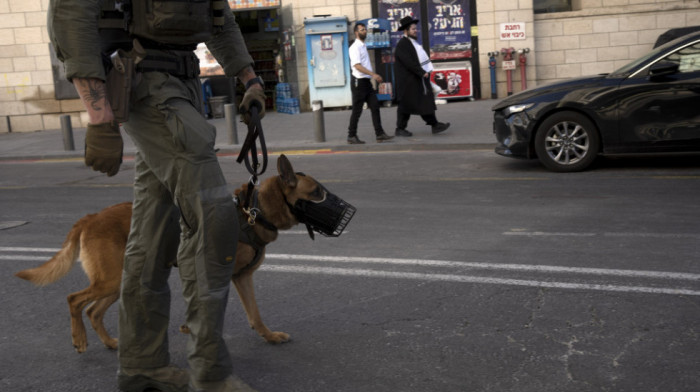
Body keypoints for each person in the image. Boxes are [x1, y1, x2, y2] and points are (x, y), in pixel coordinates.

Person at [47, 1, 263, 391]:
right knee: (214, 218)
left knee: (152, 236)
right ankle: (210, 372)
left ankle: (143, 366)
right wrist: (98, 113)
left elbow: (217, 16)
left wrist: (248, 78)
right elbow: (71, 12)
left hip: (184, 85)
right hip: (147, 84)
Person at [393, 16, 451, 137]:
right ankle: (400, 128)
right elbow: (409, 62)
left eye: (415, 28)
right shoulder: (403, 45)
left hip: (414, 79)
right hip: (407, 82)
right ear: (406, 30)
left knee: (424, 101)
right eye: (413, 29)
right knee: (406, 105)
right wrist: (421, 72)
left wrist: (422, 73)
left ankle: (435, 125)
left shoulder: (411, 43)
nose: (416, 30)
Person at [347, 22, 393, 144]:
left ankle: (379, 134)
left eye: (365, 29)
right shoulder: (354, 47)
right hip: (358, 83)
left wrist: (371, 76)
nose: (365, 32)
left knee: (375, 106)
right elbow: (357, 66)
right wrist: (374, 74)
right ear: (356, 32)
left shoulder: (363, 45)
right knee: (357, 111)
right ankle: (351, 135)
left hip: (366, 82)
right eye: (362, 30)